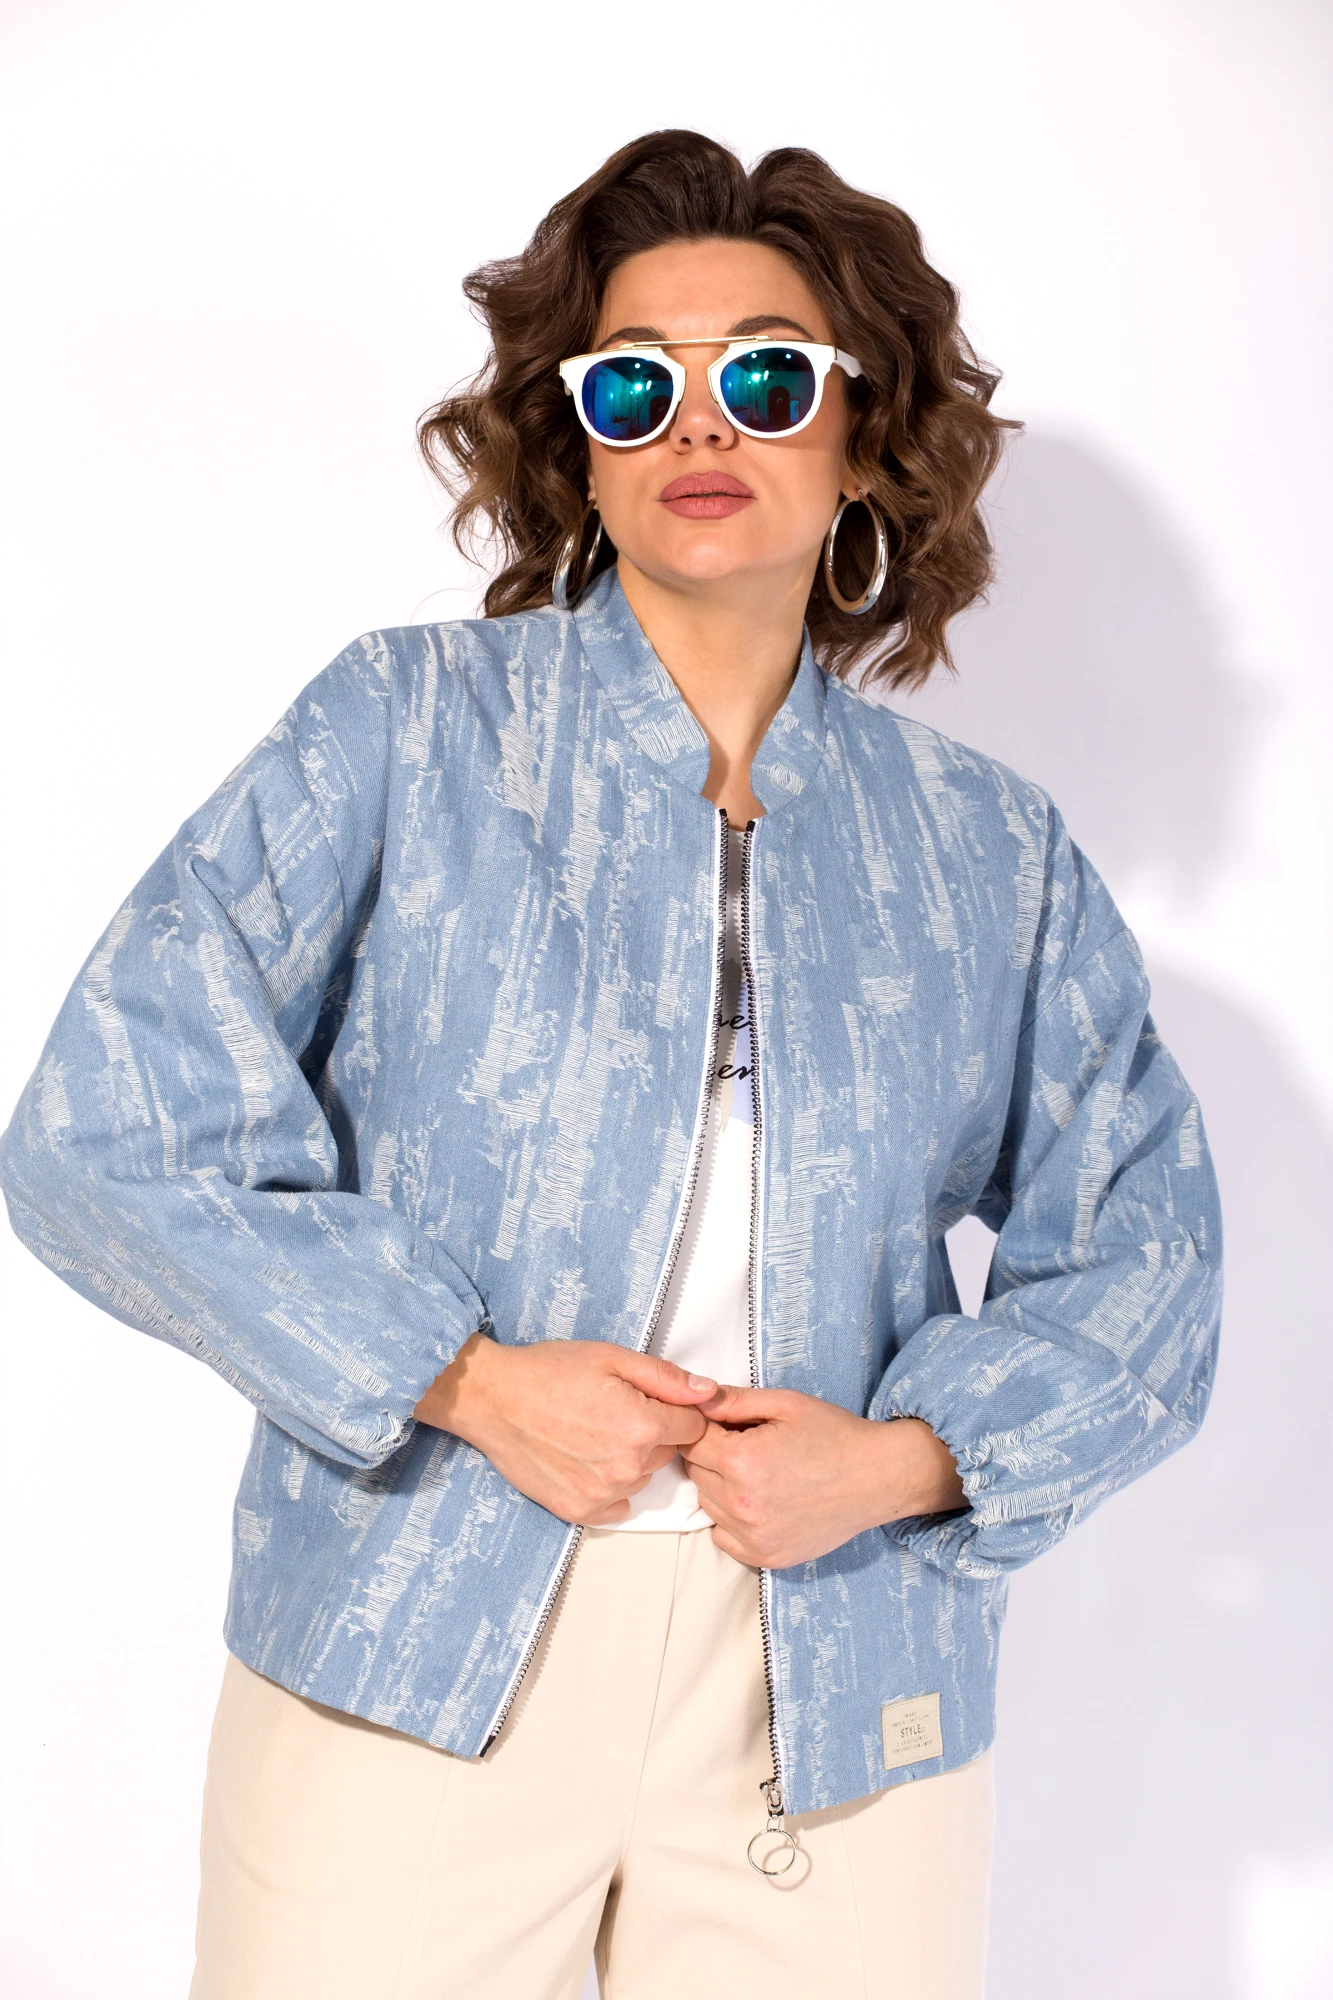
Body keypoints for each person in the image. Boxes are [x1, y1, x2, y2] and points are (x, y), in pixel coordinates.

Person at [0, 130, 1222, 2000]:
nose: (700, 425)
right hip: (414, 1642)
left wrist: (901, 1465)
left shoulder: (987, 851)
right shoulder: (406, 730)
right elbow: (107, 1126)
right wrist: (465, 1380)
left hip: (837, 1675)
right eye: (636, 385)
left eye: (768, 376)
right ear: (577, 447)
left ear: (863, 434)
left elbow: (1150, 1261)